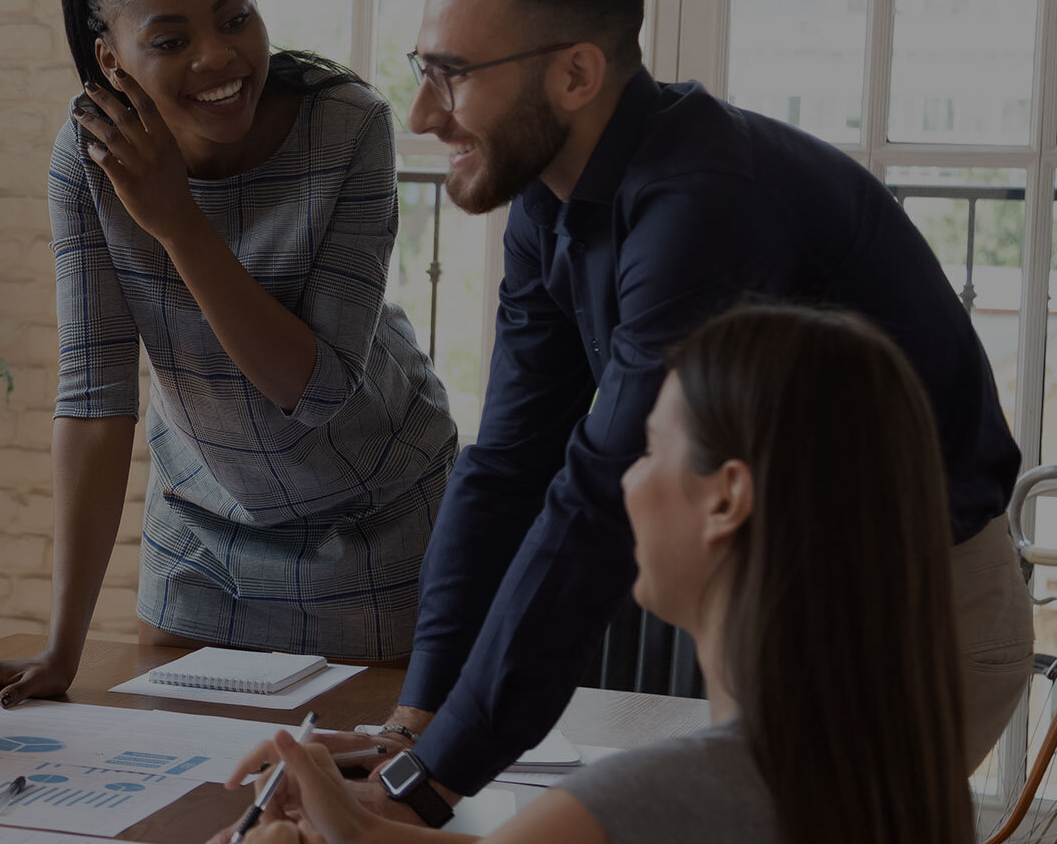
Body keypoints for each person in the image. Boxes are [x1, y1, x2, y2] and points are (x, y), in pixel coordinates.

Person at [340, 0, 1028, 825]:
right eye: (425, 67)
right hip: (778, 609)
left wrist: (430, 786)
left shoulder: (702, 205)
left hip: (911, 614)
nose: (422, 111)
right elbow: (508, 464)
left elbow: (596, 496)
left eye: (452, 74)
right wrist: (413, 729)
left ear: (578, 74)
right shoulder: (550, 196)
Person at [0, 0, 458, 704]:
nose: (218, 57)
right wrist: (61, 651)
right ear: (111, 57)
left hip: (379, 527)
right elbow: (95, 400)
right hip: (204, 536)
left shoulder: (349, 127)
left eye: (235, 17)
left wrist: (178, 220)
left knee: (352, 810)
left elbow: (311, 388)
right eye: (169, 41)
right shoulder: (87, 159)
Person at [215, 304, 973, 844]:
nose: (627, 484)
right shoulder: (886, 772)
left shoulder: (659, 797)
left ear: (726, 498)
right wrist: (350, 826)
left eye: (649, 450)